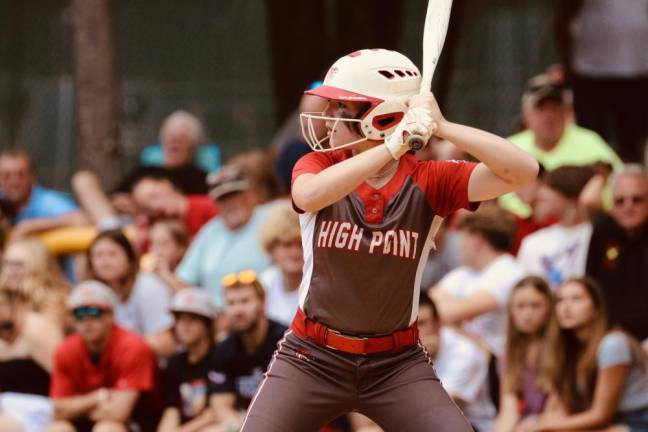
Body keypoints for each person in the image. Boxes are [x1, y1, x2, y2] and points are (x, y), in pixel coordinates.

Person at [240, 48, 538, 431]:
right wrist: (391, 146)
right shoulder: (319, 165)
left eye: (340, 108)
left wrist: (443, 126)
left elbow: (523, 172)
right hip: (312, 355)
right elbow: (309, 196)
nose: (328, 118)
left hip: (395, 362)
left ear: (380, 118)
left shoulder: (431, 177)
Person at [518, 278, 648, 431]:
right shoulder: (569, 349)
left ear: (596, 308)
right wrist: (537, 421)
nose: (566, 307)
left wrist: (543, 425)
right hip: (611, 421)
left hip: (637, 420)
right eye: (560, 300)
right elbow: (561, 407)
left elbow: (601, 416)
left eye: (576, 299)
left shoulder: (612, 344)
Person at [499, 73, 621, 218]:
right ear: (526, 114)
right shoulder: (510, 147)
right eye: (541, 108)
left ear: (566, 112)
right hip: (517, 228)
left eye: (555, 107)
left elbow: (621, 190)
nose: (549, 115)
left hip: (579, 227)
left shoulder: (590, 142)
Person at [48, 280, 160, 432]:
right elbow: (58, 410)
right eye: (79, 314)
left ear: (111, 316)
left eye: (95, 312)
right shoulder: (66, 349)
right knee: (58, 429)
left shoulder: (132, 346)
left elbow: (118, 413)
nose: (87, 320)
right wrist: (97, 397)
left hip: (135, 423)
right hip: (86, 422)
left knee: (107, 429)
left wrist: (75, 408)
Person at [556, 1, 648, 163]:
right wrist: (568, 64)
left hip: (637, 71)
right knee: (592, 139)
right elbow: (563, 18)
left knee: (634, 142)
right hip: (591, 72)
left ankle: (632, 184)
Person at [430, 205, 526, 356]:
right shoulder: (465, 272)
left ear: (476, 241)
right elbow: (426, 308)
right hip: (471, 354)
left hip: (498, 363)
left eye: (462, 237)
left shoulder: (508, 270)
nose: (459, 244)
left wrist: (452, 316)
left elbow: (448, 313)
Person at [175, 165, 274, 306]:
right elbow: (184, 280)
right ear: (215, 204)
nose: (230, 203)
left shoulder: (271, 217)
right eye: (223, 198)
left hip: (266, 310)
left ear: (250, 194)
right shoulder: (210, 231)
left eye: (234, 195)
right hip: (216, 317)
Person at [207, 270, 287, 431]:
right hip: (244, 423)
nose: (238, 310)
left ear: (263, 303)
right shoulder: (224, 349)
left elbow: (290, 404)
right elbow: (221, 405)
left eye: (245, 301)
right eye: (231, 303)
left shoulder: (286, 342)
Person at [86, 229, 175, 357]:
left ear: (129, 258)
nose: (105, 262)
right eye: (98, 256)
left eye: (112, 254)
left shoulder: (147, 286)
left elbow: (166, 343)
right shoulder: (95, 294)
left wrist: (117, 348)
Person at [586, 164, 648, 342]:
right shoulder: (603, 231)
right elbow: (592, 284)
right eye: (620, 201)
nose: (628, 207)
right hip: (611, 332)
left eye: (637, 199)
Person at [418, 294, 495, 432]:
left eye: (422, 323)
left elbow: (438, 410)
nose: (416, 332)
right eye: (410, 328)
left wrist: (418, 360)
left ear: (438, 323)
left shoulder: (464, 353)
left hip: (473, 425)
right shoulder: (408, 351)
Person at [517, 165, 595, 289]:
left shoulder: (597, 235)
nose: (541, 193)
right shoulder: (533, 243)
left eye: (549, 187)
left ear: (569, 195)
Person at [493, 276, 553, 432]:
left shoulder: (560, 348)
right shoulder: (507, 354)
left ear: (549, 307)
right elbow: (508, 410)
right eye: (520, 306)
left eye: (536, 305)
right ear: (511, 311)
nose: (527, 314)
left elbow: (559, 410)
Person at [0, 287, 63, 432]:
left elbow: (64, 373)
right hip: (6, 406)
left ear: (13, 304)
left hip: (40, 406)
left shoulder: (36, 327)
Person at [157, 288, 218, 432]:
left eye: (192, 319)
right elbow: (171, 409)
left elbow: (216, 412)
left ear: (207, 324)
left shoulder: (220, 357)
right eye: (179, 319)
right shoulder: (175, 362)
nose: (184, 326)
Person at [0, 150, 87, 237]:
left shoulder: (47, 201)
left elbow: (81, 219)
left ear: (32, 176)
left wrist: (31, 226)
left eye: (21, 175)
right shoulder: (2, 198)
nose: (14, 182)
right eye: (7, 176)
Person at [140, 110, 220, 186]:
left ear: (193, 144)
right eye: (170, 136)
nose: (174, 142)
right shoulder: (143, 178)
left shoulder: (204, 181)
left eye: (181, 138)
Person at [130, 169, 218, 237]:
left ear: (166, 184)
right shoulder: (155, 228)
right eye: (147, 208)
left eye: (154, 196)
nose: (155, 207)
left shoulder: (208, 207)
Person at [258, 200, 302, 326]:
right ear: (271, 249)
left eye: (301, 245)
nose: (295, 253)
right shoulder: (263, 283)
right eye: (287, 245)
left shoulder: (320, 288)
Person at [141, 218, 190, 294]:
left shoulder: (188, 271)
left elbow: (188, 296)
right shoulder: (149, 272)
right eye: (152, 243)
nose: (156, 250)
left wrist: (166, 275)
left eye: (162, 244)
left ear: (181, 248)